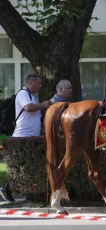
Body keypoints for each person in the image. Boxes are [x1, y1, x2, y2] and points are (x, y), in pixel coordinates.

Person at [0, 74, 51, 202]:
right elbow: (28, 108)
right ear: (31, 82)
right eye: (38, 83)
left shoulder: (33, 96)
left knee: (27, 166)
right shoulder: (23, 93)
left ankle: (22, 189)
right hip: (21, 136)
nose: (40, 86)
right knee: (19, 166)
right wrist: (43, 105)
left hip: (31, 137)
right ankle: (6, 188)